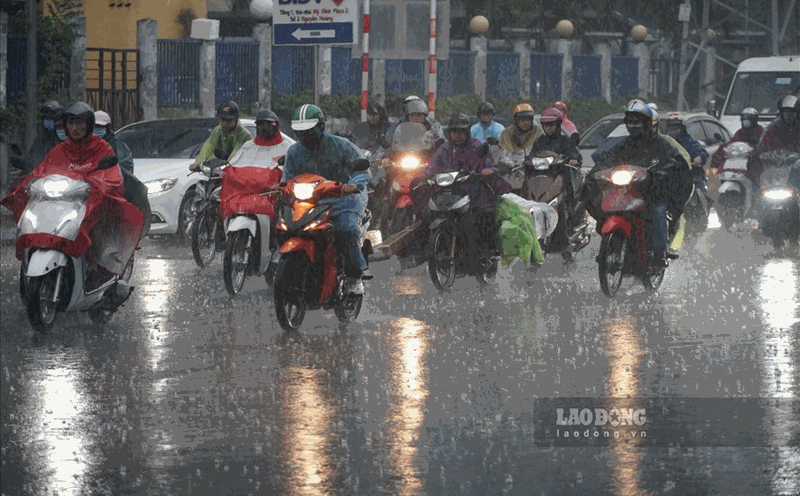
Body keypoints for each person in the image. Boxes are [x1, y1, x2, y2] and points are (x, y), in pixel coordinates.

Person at [581, 100, 693, 267]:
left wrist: (661, 172)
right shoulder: (623, 144)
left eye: (637, 122)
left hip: (652, 192)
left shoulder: (660, 143)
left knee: (658, 211)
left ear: (647, 123)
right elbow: (607, 159)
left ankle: (659, 253)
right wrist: (597, 173)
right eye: (630, 122)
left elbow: (675, 161)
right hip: (626, 192)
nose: (633, 126)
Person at [282, 104, 372, 295]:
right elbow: (287, 178)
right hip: (310, 201)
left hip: (344, 198)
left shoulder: (341, 145)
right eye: (301, 133)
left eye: (310, 132)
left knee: (346, 229)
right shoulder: (293, 152)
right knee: (284, 225)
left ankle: (354, 276)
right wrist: (279, 188)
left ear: (321, 128)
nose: (305, 137)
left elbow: (363, 170)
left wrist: (353, 185)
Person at [414, 112, 511, 258]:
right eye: (454, 131)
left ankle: (485, 250)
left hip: (473, 191)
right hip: (446, 191)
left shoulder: (479, 147)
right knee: (427, 213)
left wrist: (488, 170)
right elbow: (431, 167)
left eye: (460, 131)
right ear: (449, 133)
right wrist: (423, 176)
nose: (457, 135)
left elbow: (491, 165)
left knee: (483, 214)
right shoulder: (444, 149)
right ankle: (422, 251)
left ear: (466, 132)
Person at [528, 107, 585, 246]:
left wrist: (573, 160)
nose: (548, 128)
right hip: (541, 179)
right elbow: (531, 156)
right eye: (545, 125)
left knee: (566, 193)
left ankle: (568, 216)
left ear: (558, 125)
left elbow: (576, 156)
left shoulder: (565, 141)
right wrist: (524, 161)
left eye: (551, 125)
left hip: (560, 178)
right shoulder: (539, 142)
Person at [746, 94, 800, 185]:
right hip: (773, 173)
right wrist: (756, 157)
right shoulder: (772, 128)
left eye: (792, 112)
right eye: (786, 112)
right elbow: (760, 148)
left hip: (796, 172)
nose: (789, 116)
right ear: (781, 113)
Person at [190, 101, 251, 171]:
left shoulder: (243, 135)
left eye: (229, 120)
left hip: (240, 170)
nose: (225, 123)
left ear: (236, 119)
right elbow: (208, 147)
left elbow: (235, 155)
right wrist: (198, 163)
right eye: (223, 120)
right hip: (223, 168)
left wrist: (226, 165)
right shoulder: (218, 130)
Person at [228, 109, 295, 168]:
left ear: (276, 126)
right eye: (261, 125)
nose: (265, 128)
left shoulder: (286, 147)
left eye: (268, 125)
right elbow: (231, 166)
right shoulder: (248, 146)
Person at [665, 112, 710, 196]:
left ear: (682, 128)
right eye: (671, 128)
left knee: (697, 191)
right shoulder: (665, 141)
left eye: (675, 128)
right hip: (668, 176)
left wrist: (698, 158)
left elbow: (703, 153)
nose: (673, 131)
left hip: (688, 176)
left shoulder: (689, 141)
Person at [710, 107, 764, 172]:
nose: (746, 120)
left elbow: (763, 144)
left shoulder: (760, 131)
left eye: (749, 118)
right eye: (744, 118)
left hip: (753, 161)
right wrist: (725, 147)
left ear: (754, 120)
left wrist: (754, 147)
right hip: (738, 159)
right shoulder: (740, 132)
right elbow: (732, 141)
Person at [22, 100, 63, 172]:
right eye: (46, 113)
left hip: (64, 176)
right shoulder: (41, 138)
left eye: (51, 113)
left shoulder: (66, 136)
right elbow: (32, 160)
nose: (48, 115)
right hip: (42, 177)